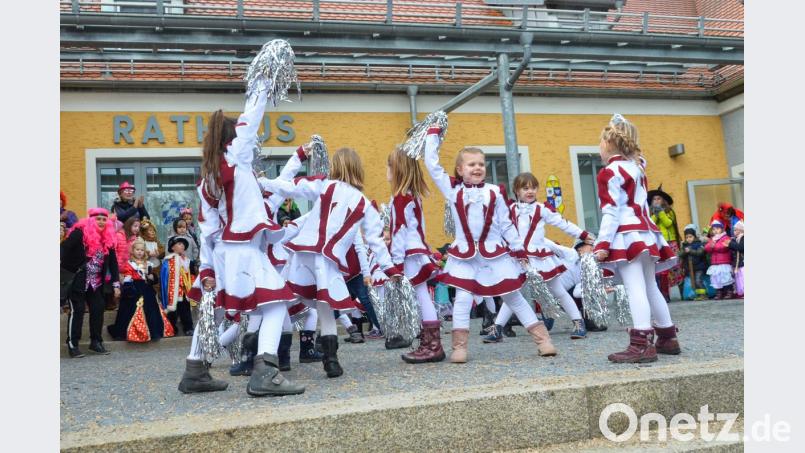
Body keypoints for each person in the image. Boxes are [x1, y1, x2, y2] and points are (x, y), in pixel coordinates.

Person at [178, 84, 304, 397]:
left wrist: (207, 268)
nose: (251, 143)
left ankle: (195, 369)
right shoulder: (236, 160)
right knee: (276, 307)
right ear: (233, 142)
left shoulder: (208, 176)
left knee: (217, 310)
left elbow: (207, 227)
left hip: (223, 250)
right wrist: (262, 83)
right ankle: (266, 373)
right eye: (243, 139)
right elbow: (252, 117)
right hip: (243, 250)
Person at [260, 147, 402, 378]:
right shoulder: (364, 204)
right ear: (359, 169)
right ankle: (331, 361)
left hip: (304, 253)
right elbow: (376, 241)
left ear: (335, 166)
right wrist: (390, 269)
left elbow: (290, 187)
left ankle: (265, 356)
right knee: (326, 309)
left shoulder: (324, 185)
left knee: (280, 302)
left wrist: (264, 182)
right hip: (328, 261)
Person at [423, 125, 556, 363]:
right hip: (464, 255)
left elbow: (506, 224)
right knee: (462, 298)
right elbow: (432, 166)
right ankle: (460, 347)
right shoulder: (452, 190)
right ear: (460, 169)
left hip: (494, 254)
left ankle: (543, 340)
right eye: (471, 164)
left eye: (481, 164)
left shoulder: (495, 192)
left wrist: (518, 250)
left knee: (513, 296)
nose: (477, 168)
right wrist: (433, 135)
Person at [592, 114, 680, 363]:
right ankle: (667, 336)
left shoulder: (609, 172)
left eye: (600, 141)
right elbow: (642, 159)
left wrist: (602, 245)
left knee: (635, 288)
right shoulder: (637, 167)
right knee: (651, 286)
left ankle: (642, 344)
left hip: (626, 235)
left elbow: (611, 211)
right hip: (647, 234)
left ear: (608, 143)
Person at [484, 172, 594, 342]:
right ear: (517, 190)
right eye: (525, 188)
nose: (530, 191)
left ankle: (579, 322)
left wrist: (583, 234)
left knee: (558, 291)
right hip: (518, 257)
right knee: (513, 293)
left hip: (540, 258)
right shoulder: (509, 209)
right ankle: (497, 328)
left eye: (533, 187)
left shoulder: (543, 208)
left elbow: (562, 223)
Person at [384, 147, 445, 364]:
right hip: (415, 251)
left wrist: (396, 264)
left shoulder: (401, 197)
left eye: (389, 165)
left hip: (410, 255)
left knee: (421, 297)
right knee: (421, 297)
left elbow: (400, 231)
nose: (386, 169)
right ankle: (429, 344)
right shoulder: (411, 196)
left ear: (397, 169)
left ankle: (432, 346)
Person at [61, 208, 121, 357]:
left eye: (104, 219)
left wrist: (116, 284)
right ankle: (73, 344)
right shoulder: (79, 233)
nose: (101, 222)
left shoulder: (108, 238)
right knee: (78, 310)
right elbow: (64, 250)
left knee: (98, 308)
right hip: (78, 281)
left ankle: (96, 342)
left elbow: (113, 263)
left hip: (96, 282)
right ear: (90, 220)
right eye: (98, 219)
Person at [108, 238, 173, 342]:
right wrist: (128, 289)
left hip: (146, 287)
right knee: (129, 309)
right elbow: (127, 278)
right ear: (133, 250)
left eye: (142, 250)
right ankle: (131, 331)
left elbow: (152, 278)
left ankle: (153, 331)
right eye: (137, 249)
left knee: (151, 309)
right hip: (133, 288)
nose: (139, 252)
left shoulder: (148, 264)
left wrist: (152, 277)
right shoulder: (129, 264)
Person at [648, 185, 685, 302]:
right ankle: (664, 294)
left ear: (663, 200)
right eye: (654, 199)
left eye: (658, 198)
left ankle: (683, 293)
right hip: (659, 244)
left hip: (671, 242)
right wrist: (655, 215)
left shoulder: (669, 211)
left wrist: (661, 213)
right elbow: (650, 225)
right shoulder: (650, 213)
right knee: (663, 270)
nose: (656, 201)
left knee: (676, 267)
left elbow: (668, 223)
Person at [161, 236, 195, 336]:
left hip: (185, 291)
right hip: (173, 291)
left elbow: (192, 275)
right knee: (173, 312)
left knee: (185, 310)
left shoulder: (188, 261)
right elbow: (165, 277)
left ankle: (188, 328)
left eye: (183, 244)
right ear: (172, 247)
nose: (182, 246)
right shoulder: (168, 261)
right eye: (179, 244)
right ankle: (172, 329)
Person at [704, 220, 735, 299]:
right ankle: (719, 293)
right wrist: (711, 245)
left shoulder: (725, 237)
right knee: (716, 278)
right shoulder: (713, 239)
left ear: (722, 229)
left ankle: (729, 292)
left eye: (717, 228)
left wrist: (714, 246)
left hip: (724, 262)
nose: (715, 231)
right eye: (714, 229)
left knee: (725, 277)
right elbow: (707, 248)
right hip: (715, 263)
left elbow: (723, 247)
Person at [677, 226, 708, 301]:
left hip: (699, 267)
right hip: (690, 268)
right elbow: (680, 254)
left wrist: (690, 251)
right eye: (687, 237)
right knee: (694, 282)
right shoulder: (685, 245)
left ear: (694, 236)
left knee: (698, 280)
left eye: (690, 237)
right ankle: (699, 294)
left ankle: (704, 294)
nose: (688, 239)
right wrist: (684, 251)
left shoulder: (698, 244)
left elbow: (700, 253)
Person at [729, 221, 744, 298]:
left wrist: (730, 244)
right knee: (738, 278)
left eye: (736, 230)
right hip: (737, 263)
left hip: (742, 262)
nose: (734, 231)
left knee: (743, 277)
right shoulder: (735, 239)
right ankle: (740, 292)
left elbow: (740, 247)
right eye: (734, 230)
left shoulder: (743, 238)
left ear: (741, 230)